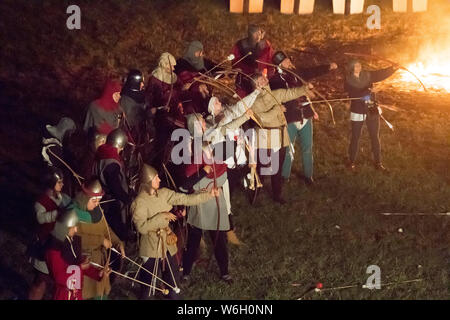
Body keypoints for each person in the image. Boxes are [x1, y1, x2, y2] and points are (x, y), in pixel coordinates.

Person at [131, 164, 218, 299]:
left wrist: (209, 195)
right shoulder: (139, 203)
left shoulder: (164, 193)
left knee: (172, 280)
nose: (159, 180)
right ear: (148, 182)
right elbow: (141, 227)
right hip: (150, 246)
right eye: (156, 178)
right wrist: (162, 217)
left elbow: (186, 199)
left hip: (167, 244)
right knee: (148, 286)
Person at [269, 51, 338, 185]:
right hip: (290, 117)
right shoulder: (275, 80)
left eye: (288, 59)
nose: (289, 62)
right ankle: (285, 175)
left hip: (305, 115)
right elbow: (278, 96)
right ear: (279, 64)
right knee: (288, 149)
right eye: (286, 60)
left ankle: (308, 175)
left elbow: (312, 71)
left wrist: (328, 67)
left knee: (307, 148)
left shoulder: (297, 73)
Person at [248, 71, 314, 204]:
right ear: (256, 85)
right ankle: (255, 193)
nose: (265, 80)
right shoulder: (253, 101)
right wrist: (277, 110)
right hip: (265, 138)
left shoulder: (275, 93)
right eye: (261, 79)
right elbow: (261, 119)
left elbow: (290, 93)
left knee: (277, 169)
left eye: (264, 78)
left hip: (280, 136)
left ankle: (277, 195)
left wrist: (304, 89)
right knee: (262, 168)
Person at [72, 178, 125, 300]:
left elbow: (107, 230)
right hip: (84, 262)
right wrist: (100, 241)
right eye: (94, 200)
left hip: (100, 262)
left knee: (100, 294)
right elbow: (72, 239)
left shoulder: (97, 212)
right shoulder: (72, 213)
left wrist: (117, 243)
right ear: (85, 198)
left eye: (99, 200)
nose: (97, 204)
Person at [344, 60, 398, 171]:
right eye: (355, 66)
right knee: (355, 137)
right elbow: (354, 94)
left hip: (371, 109)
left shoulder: (367, 75)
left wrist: (392, 68)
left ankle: (378, 162)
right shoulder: (348, 81)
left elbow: (380, 74)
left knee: (375, 137)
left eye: (359, 65)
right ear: (351, 68)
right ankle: (351, 162)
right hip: (358, 110)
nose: (358, 67)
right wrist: (369, 91)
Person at [28, 167, 72, 300]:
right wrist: (57, 214)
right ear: (51, 183)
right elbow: (40, 218)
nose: (62, 184)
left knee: (56, 281)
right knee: (40, 281)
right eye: (59, 182)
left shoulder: (62, 198)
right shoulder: (41, 202)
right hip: (44, 244)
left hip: (58, 245)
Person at [45, 209, 109, 300]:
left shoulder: (73, 242)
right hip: (63, 294)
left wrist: (98, 274)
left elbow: (80, 266)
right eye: (73, 227)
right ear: (65, 227)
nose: (76, 230)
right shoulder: (54, 249)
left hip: (77, 294)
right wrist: (80, 267)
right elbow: (59, 276)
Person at [145, 52, 186, 168]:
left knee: (178, 136)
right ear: (165, 65)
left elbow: (179, 89)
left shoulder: (174, 77)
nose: (173, 68)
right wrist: (152, 108)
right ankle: (156, 165)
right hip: (160, 114)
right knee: (161, 141)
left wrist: (183, 89)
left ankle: (173, 162)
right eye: (171, 66)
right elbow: (150, 96)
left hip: (173, 113)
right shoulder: (155, 78)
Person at [93, 128, 132, 241]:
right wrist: (126, 198)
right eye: (120, 148)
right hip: (111, 202)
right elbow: (115, 186)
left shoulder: (102, 154)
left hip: (106, 199)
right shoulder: (111, 162)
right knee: (116, 230)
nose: (120, 151)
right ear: (118, 145)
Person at [175, 40, 219, 114]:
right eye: (198, 52)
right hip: (190, 95)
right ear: (192, 51)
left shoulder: (203, 62)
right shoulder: (180, 64)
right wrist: (182, 88)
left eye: (201, 52)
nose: (201, 54)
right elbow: (175, 84)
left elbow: (215, 67)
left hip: (200, 88)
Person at [231, 24, 275, 97]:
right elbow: (235, 61)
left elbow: (270, 61)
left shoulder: (265, 45)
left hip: (262, 77)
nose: (258, 36)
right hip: (245, 78)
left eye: (259, 33)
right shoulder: (240, 45)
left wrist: (270, 77)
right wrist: (236, 69)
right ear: (250, 34)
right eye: (255, 33)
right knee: (244, 98)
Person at [41, 117, 77, 195]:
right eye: (70, 134)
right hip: (51, 185)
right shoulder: (53, 148)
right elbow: (61, 166)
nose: (70, 137)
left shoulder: (58, 145)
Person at [119, 69, 147, 143]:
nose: (143, 85)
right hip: (128, 135)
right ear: (135, 83)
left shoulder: (142, 96)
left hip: (139, 133)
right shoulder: (125, 99)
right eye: (141, 83)